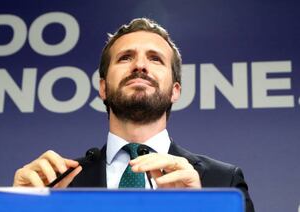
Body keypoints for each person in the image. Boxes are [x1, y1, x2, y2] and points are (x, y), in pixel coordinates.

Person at [13, 18, 254, 211]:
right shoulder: (54, 185)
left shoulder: (222, 182)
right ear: (103, 88)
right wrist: (13, 209)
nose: (140, 66)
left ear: (175, 91)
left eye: (155, 58)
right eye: (125, 57)